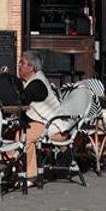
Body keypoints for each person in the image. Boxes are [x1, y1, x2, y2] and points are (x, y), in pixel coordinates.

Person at [14, 50, 62, 184]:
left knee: (25, 136)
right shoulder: (31, 81)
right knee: (16, 133)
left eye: (22, 63)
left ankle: (30, 175)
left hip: (55, 126)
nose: (19, 66)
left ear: (31, 68)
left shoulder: (37, 83)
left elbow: (22, 99)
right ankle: (16, 169)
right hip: (43, 122)